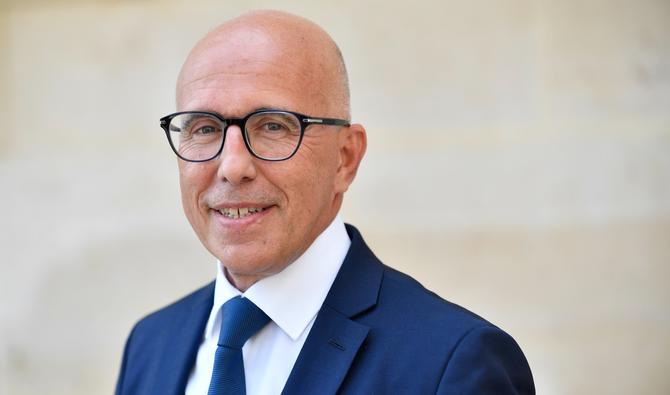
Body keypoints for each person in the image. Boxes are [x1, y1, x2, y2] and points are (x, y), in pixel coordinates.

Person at [115, 10, 535, 395]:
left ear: (345, 159)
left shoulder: (452, 362)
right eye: (205, 128)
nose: (233, 166)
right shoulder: (151, 345)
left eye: (273, 126)